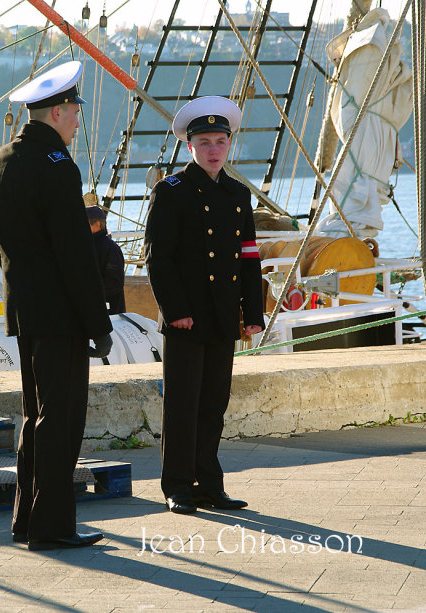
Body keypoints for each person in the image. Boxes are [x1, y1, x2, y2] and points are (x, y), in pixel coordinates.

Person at [0, 61, 113, 551]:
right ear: (57, 111)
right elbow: (74, 254)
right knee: (61, 419)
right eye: (74, 110)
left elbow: (3, 245)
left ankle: (27, 518)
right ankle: (53, 525)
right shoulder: (58, 166)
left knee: (35, 415)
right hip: (61, 313)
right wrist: (97, 322)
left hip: (25, 309)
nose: (78, 119)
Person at [144, 96, 265, 515]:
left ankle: (210, 485)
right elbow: (158, 259)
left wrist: (252, 314)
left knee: (214, 403)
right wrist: (175, 309)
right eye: (205, 142)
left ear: (229, 145)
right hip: (185, 317)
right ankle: (178, 486)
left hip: (221, 316)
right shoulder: (171, 191)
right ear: (190, 146)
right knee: (182, 405)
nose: (214, 149)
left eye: (221, 141)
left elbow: (249, 257)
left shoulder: (237, 194)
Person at [86, 206, 126, 314]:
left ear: (97, 224)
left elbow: (114, 283)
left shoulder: (110, 249)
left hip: (109, 313)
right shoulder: (86, 246)